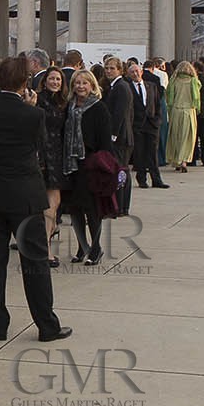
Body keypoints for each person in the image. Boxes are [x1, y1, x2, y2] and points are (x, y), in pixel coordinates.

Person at [0, 56, 73, 342]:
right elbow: (38, 145)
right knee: (35, 262)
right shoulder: (34, 114)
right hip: (24, 195)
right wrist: (30, 107)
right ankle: (46, 324)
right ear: (25, 83)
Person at [63, 68, 113, 266]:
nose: (80, 86)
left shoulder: (99, 108)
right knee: (75, 208)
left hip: (91, 164)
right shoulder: (69, 107)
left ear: (92, 86)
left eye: (84, 83)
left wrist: (105, 165)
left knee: (92, 209)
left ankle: (96, 247)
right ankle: (82, 245)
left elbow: (105, 141)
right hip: (72, 164)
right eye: (77, 83)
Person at [35, 67, 70, 267]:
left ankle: (46, 240)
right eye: (52, 78)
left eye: (58, 79)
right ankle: (45, 247)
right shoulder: (37, 99)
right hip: (42, 154)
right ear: (45, 80)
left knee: (54, 202)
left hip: (58, 155)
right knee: (48, 202)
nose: (55, 82)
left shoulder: (63, 102)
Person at [127, 61, 167, 188]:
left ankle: (157, 180)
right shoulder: (128, 88)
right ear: (129, 74)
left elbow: (157, 104)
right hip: (137, 125)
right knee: (139, 153)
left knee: (152, 153)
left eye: (137, 71)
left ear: (141, 72)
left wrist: (157, 120)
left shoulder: (151, 86)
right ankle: (142, 179)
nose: (135, 74)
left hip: (151, 124)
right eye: (132, 72)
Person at [103, 56, 135, 214]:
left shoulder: (121, 87)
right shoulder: (118, 86)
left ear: (120, 70)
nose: (108, 71)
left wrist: (113, 135)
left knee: (121, 171)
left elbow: (120, 114)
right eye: (107, 68)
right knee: (121, 171)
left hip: (120, 137)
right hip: (123, 135)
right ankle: (121, 206)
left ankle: (121, 206)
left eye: (112, 68)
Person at [165, 60, 200, 173]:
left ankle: (176, 160)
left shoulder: (173, 81)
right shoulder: (194, 81)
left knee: (175, 137)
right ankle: (184, 160)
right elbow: (197, 98)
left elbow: (169, 98)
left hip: (176, 110)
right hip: (189, 110)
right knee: (187, 138)